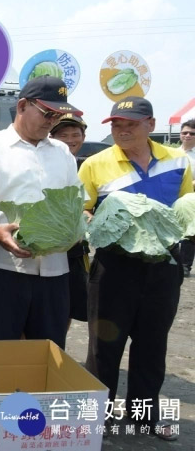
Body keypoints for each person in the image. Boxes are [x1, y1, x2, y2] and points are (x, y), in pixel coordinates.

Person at [80, 96, 191, 441]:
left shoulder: (179, 160)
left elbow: (188, 209)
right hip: (115, 267)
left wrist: (185, 253)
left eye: (130, 124)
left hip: (163, 268)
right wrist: (99, 222)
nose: (122, 130)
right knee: (104, 348)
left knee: (152, 345)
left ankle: (146, 417)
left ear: (150, 125)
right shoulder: (95, 164)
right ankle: (101, 417)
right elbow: (81, 211)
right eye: (116, 125)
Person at [0, 75, 82, 349]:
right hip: (1, 267)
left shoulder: (62, 152)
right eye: (46, 113)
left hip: (54, 269)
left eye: (57, 115)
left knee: (48, 350)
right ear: (22, 105)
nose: (52, 121)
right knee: (1, 348)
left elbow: (74, 201)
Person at [49, 113, 90, 331]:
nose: (70, 139)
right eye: (63, 135)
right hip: (45, 246)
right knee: (47, 305)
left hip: (74, 250)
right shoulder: (44, 162)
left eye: (76, 134)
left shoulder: (85, 165)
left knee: (68, 305)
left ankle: (58, 346)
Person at [178, 119, 195, 275]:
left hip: (191, 200)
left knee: (189, 233)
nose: (188, 135)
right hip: (174, 198)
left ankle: (185, 265)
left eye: (192, 133)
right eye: (185, 132)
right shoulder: (173, 154)